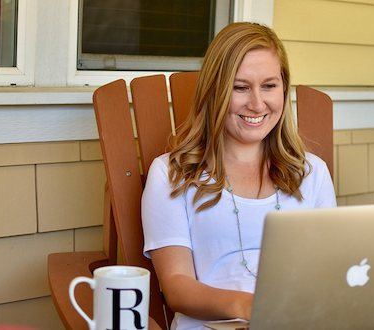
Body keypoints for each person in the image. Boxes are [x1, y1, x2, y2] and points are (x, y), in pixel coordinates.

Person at [141, 22, 336, 330]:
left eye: (269, 86)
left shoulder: (310, 173)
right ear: (214, 91)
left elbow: (330, 270)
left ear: (284, 90)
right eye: (240, 87)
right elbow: (176, 286)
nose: (257, 104)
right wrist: (252, 308)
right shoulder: (172, 174)